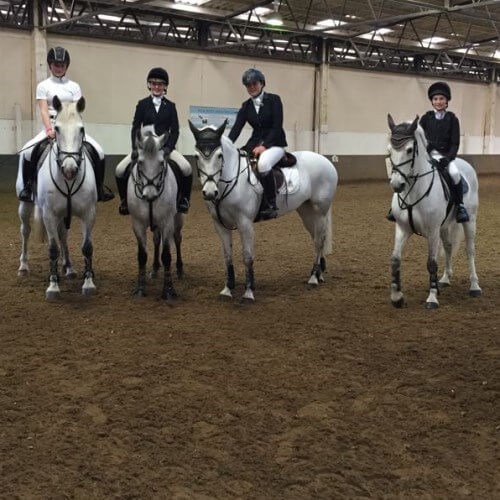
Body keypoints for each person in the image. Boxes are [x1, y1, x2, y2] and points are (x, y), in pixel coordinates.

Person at [18, 46, 113, 203]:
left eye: (62, 65)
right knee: (27, 152)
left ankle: (99, 188)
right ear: (50, 65)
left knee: (99, 151)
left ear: (66, 66)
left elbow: (77, 111)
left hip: (71, 127)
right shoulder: (43, 86)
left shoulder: (74, 87)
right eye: (56, 64)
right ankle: (28, 188)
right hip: (51, 125)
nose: (59, 68)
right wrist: (49, 129)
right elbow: (43, 109)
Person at [387, 81, 469, 223]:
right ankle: (396, 208)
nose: (438, 102)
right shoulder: (426, 118)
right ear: (432, 101)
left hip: (445, 156)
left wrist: (448, 158)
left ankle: (460, 206)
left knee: (455, 173)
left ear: (446, 101)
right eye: (436, 99)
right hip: (428, 154)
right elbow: (419, 137)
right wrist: (428, 150)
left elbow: (455, 143)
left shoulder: (453, 119)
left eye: (441, 99)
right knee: (406, 172)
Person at [115, 67, 192, 215]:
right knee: (119, 170)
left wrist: (169, 148)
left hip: (165, 148)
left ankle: (184, 200)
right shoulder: (142, 104)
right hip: (145, 148)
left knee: (187, 168)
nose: (157, 87)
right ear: (149, 85)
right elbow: (136, 127)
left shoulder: (170, 106)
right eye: (154, 83)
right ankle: (125, 201)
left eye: (160, 84)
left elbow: (175, 130)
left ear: (165, 87)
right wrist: (135, 149)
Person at [228, 68, 287, 220]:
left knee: (263, 164)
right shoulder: (246, 106)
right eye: (248, 85)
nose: (251, 87)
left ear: (261, 84)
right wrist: (226, 144)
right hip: (254, 143)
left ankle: (271, 205)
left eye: (254, 83)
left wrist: (265, 146)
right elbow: (236, 128)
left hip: (275, 143)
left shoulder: (274, 100)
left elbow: (277, 127)